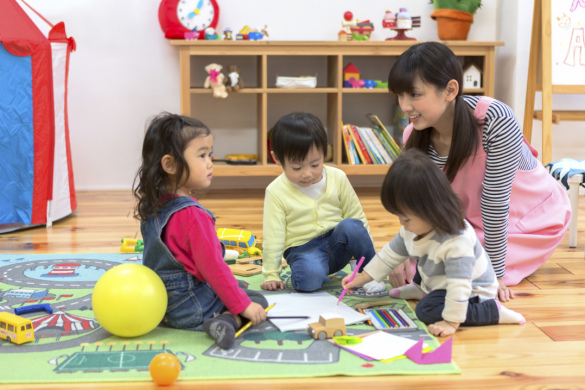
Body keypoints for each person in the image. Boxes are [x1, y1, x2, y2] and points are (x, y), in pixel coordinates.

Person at [386, 42, 571, 301]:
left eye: (414, 95)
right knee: (416, 269)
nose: (404, 106)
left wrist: (495, 276)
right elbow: (418, 206)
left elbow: (495, 204)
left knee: (457, 271)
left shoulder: (495, 119)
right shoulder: (413, 137)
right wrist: (401, 254)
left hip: (528, 220)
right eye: (400, 95)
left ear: (450, 90)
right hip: (472, 224)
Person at [342, 149, 526, 337]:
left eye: (406, 219)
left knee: (425, 310)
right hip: (441, 281)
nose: (401, 224)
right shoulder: (414, 227)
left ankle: (491, 312)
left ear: (430, 210)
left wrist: (451, 322)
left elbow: (459, 285)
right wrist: (363, 278)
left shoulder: (456, 241)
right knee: (422, 260)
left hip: (472, 293)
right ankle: (421, 289)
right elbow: (391, 254)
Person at [133, 112, 268, 350]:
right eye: (202, 155)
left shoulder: (153, 205)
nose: (210, 163)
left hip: (161, 305)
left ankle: (227, 312)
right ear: (170, 164)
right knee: (256, 300)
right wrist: (242, 307)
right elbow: (213, 267)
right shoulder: (193, 215)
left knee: (240, 289)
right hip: (193, 307)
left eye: (211, 154)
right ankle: (228, 320)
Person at [261, 112, 383, 293]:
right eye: (296, 167)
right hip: (303, 250)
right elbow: (273, 236)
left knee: (353, 225)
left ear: (325, 153)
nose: (307, 173)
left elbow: (357, 216)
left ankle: (366, 272)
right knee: (307, 282)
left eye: (315, 164)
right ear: (277, 159)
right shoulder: (275, 191)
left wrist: (371, 262)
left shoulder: (338, 177)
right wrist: (271, 274)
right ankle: (316, 272)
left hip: (338, 241)